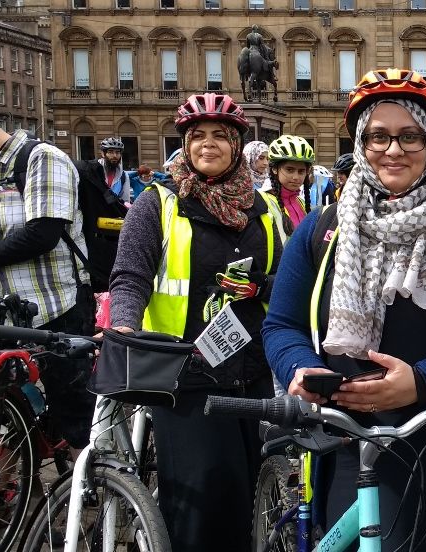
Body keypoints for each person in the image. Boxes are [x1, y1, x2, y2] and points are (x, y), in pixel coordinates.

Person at [261, 68, 426, 551]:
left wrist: (422, 380)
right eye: (378, 137)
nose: (393, 150)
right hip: (343, 438)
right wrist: (299, 368)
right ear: (361, 142)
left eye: (409, 136)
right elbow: (282, 324)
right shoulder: (321, 229)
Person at [108, 92, 283, 550]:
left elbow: (288, 282)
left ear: (237, 145)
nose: (208, 145)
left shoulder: (266, 210)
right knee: (202, 506)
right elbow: (130, 275)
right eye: (197, 136)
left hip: (255, 373)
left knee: (255, 499)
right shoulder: (158, 203)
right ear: (184, 145)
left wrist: (260, 287)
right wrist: (125, 323)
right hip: (187, 377)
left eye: (220, 136)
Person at [0, 123, 97, 455]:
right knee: (11, 416)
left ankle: (96, 484)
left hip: (56, 308)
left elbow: (42, 234)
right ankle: (28, 491)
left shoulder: (41, 158)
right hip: (5, 313)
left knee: (76, 416)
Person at [73, 136, 131, 292]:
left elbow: (125, 200)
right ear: (103, 153)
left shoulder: (123, 176)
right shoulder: (92, 171)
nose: (114, 156)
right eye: (111, 152)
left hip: (112, 222)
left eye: (117, 153)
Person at [265, 134, 315, 234]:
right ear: (274, 169)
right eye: (289, 170)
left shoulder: (302, 203)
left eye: (301, 171)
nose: (296, 177)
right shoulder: (262, 202)